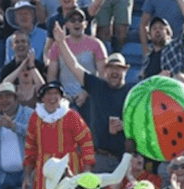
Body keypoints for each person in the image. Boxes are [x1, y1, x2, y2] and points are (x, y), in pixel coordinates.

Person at [53, 26, 132, 173]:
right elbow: (74, 65)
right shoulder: (97, 85)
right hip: (100, 158)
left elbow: (143, 121)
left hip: (125, 160)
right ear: (105, 69)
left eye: (119, 68)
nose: (114, 71)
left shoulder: (132, 93)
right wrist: (61, 42)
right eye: (111, 67)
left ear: (125, 70)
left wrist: (125, 125)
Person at [23, 81, 96, 189]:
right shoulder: (35, 118)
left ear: (61, 96)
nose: (52, 97)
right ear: (42, 98)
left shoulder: (71, 116)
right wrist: (27, 177)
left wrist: (86, 172)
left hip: (69, 169)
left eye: (56, 93)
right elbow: (30, 149)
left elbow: (86, 141)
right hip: (44, 174)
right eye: (48, 94)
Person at [46, 8, 107, 116]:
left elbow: (103, 76)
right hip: (65, 100)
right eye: (72, 20)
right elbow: (51, 77)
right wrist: (61, 95)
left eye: (80, 20)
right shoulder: (57, 45)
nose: (77, 23)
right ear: (67, 24)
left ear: (85, 24)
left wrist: (87, 93)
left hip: (89, 99)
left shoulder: (96, 44)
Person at [139, 0, 184, 80]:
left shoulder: (176, 47)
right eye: (154, 28)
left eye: (161, 28)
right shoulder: (147, 59)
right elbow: (142, 83)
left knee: (181, 77)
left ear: (169, 34)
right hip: (153, 90)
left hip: (172, 89)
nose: (157, 30)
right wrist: (158, 77)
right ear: (149, 35)